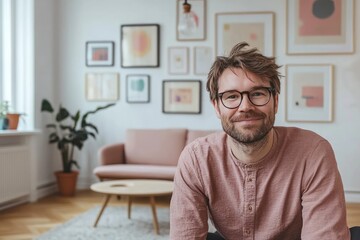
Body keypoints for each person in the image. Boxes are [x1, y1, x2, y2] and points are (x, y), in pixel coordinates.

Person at [169, 42, 352, 239]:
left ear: (275, 101)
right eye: (231, 96)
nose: (245, 106)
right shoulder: (196, 158)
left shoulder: (313, 152)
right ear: (216, 107)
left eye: (257, 94)